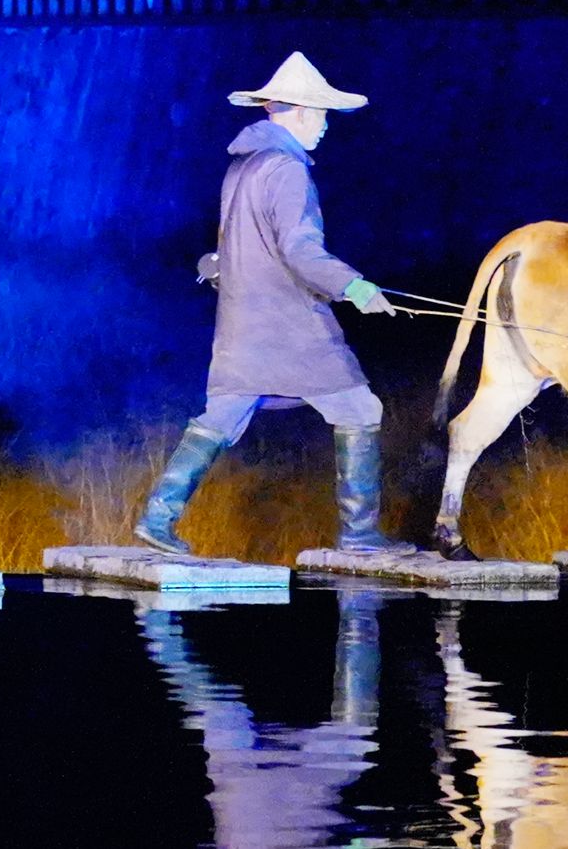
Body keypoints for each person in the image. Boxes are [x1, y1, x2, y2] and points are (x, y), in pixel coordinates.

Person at [130, 49, 398, 553]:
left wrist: (218, 266)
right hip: (289, 325)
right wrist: (354, 287)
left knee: (220, 418)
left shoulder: (244, 167)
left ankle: (157, 518)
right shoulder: (287, 170)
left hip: (242, 326)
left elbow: (233, 245)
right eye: (321, 114)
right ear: (300, 112)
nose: (325, 126)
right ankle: (360, 534)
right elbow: (299, 250)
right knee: (360, 407)